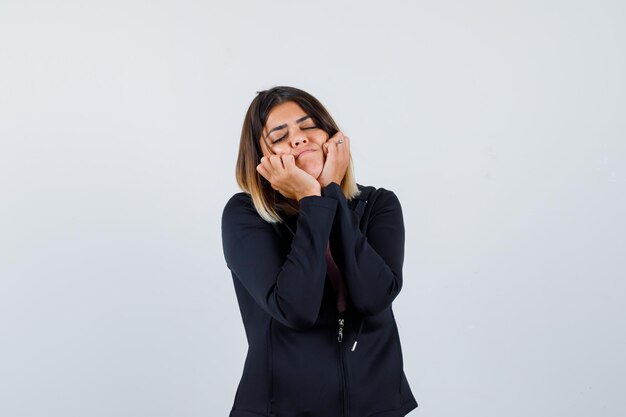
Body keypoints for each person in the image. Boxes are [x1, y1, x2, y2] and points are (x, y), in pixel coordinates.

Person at [221, 86, 418, 417]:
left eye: (308, 125)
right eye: (280, 135)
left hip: (378, 406)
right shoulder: (245, 215)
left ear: (332, 135)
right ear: (261, 159)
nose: (298, 139)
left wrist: (330, 195)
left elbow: (374, 297)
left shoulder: (379, 204)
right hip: (279, 409)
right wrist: (311, 202)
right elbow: (295, 309)